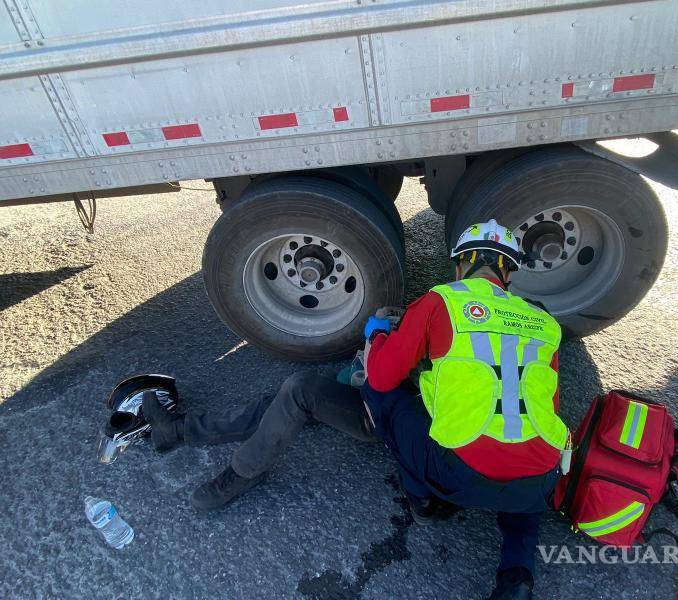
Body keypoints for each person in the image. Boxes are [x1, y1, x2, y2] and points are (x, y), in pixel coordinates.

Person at [143, 219, 568, 600]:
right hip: (538, 480)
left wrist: (380, 334)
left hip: (451, 470)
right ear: (508, 273)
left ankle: (234, 469)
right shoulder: (543, 322)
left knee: (304, 391)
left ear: (461, 265)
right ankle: (517, 578)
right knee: (524, 473)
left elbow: (383, 378)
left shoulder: (444, 301)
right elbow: (541, 405)